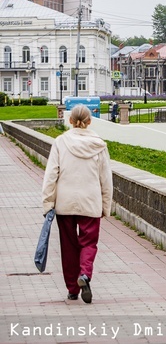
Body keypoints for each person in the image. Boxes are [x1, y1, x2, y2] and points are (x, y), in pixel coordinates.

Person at [42, 104, 113, 304]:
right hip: (91, 202)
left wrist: (48, 202)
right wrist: (105, 206)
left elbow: (51, 175)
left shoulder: (60, 142)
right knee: (89, 243)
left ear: (70, 121)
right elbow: (105, 179)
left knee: (69, 246)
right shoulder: (99, 145)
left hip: (65, 202)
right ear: (89, 122)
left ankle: (72, 289)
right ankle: (85, 275)